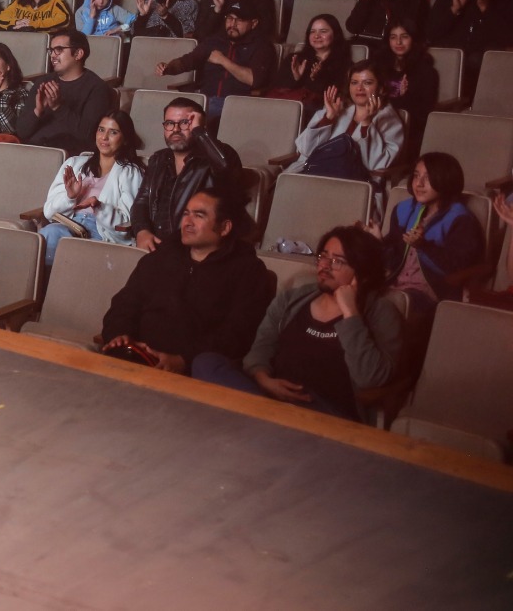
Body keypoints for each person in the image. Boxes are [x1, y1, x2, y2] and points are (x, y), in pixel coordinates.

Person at [193, 226, 403, 420]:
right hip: (270, 396)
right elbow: (261, 348)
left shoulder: (380, 312)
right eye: (323, 257)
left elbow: (370, 377)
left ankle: (261, 418)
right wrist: (263, 379)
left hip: (323, 412)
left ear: (363, 272)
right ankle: (266, 417)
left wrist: (351, 313)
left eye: (337, 261)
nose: (324, 266)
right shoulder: (293, 299)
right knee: (206, 363)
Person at [101, 188, 273, 374]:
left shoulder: (249, 272)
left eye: (199, 216)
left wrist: (184, 360)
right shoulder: (159, 258)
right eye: (186, 213)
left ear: (224, 227)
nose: (187, 222)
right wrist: (119, 335)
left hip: (193, 372)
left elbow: (238, 334)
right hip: (135, 356)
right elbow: (124, 304)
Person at [369, 153, 484, 314]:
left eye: (428, 178)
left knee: (383, 306)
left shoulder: (461, 219)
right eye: (416, 176)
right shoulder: (404, 210)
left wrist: (423, 246)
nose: (419, 183)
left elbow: (457, 270)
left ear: (446, 180)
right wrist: (377, 241)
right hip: (396, 284)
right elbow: (392, 260)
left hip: (431, 294)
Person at [129, 100, 244, 250]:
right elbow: (141, 202)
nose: (176, 129)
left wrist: (200, 132)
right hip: (157, 247)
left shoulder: (218, 156)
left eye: (184, 123)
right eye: (170, 123)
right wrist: (142, 231)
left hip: (197, 248)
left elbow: (225, 169)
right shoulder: (158, 159)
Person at [37, 111, 143, 265]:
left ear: (125, 139)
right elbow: (49, 213)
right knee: (50, 233)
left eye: (113, 132)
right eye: (101, 130)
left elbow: (127, 223)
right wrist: (70, 197)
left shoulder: (131, 172)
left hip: (101, 234)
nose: (104, 137)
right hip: (69, 226)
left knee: (55, 236)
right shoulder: (74, 164)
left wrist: (99, 206)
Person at [283, 62, 405, 186]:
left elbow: (375, 165)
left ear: (381, 88)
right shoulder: (338, 107)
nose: (359, 88)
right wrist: (328, 118)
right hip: (314, 173)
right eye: (354, 82)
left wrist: (366, 123)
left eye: (367, 83)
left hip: (353, 183)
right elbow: (306, 149)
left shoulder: (389, 119)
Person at [154, 0, 273, 124]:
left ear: (253, 23)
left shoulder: (261, 46)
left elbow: (254, 79)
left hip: (237, 104)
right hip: (205, 100)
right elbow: (187, 61)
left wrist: (223, 60)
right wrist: (168, 67)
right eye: (229, 18)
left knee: (189, 121)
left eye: (239, 20)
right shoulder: (215, 41)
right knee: (165, 115)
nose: (232, 24)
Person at [427, 0, 513, 89]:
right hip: (450, 69)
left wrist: (485, 9)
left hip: (490, 73)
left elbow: (509, 39)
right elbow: (430, 34)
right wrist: (454, 11)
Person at [24, 30, 116, 156]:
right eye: (51, 50)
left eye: (59, 50)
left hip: (68, 156)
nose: (52, 55)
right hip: (32, 151)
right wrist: (37, 111)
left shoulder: (97, 88)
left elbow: (88, 135)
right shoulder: (43, 82)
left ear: (78, 54)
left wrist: (58, 107)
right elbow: (22, 131)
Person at [265, 14, 351, 113]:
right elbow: (276, 91)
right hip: (284, 111)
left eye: (323, 31)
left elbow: (336, 98)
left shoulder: (344, 64)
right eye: (312, 32)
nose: (316, 36)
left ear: (335, 34)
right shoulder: (295, 59)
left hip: (319, 114)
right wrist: (296, 78)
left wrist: (317, 79)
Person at [377, 18, 439, 140]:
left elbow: (423, 112)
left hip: (409, 129)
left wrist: (403, 97)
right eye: (393, 37)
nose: (398, 42)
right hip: (379, 123)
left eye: (404, 37)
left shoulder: (426, 72)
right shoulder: (379, 67)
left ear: (413, 39)